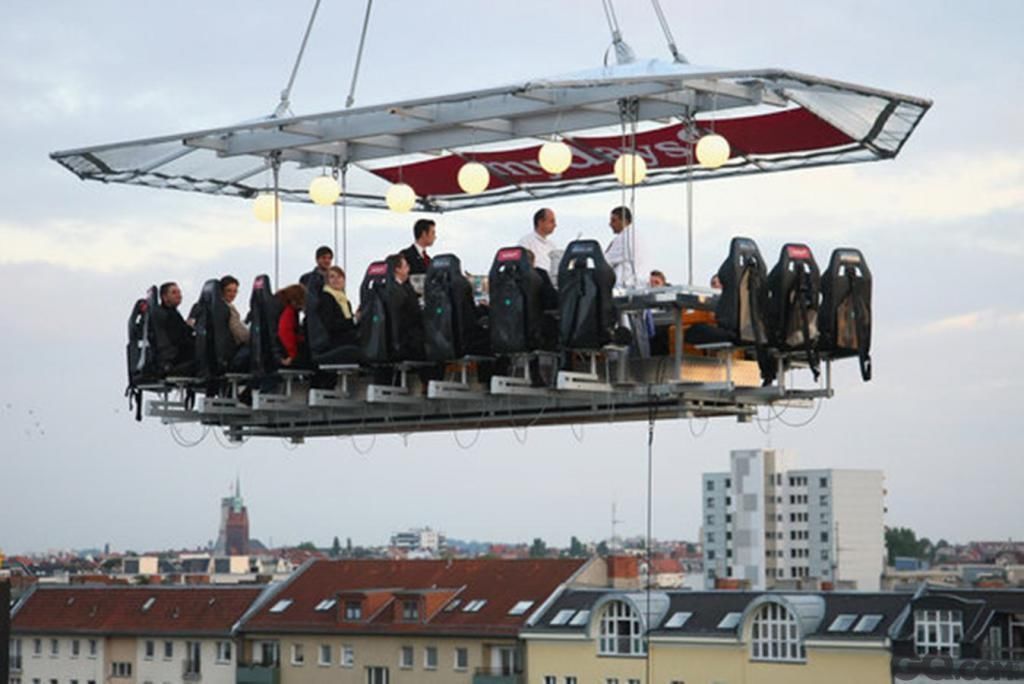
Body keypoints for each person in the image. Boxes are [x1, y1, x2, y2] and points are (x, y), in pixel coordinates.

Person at [386, 253, 426, 360]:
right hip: (407, 345)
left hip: (387, 345)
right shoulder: (403, 292)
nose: (409, 269)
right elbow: (416, 316)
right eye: (406, 266)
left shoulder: (382, 290)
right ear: (398, 270)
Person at [156, 281, 196, 373]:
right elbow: (179, 339)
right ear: (164, 297)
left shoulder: (169, 313)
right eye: (174, 293)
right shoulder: (168, 315)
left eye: (179, 292)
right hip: (176, 358)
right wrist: (189, 328)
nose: (179, 295)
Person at [319, 265, 357, 347]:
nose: (336, 280)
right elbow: (330, 325)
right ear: (327, 281)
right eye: (332, 277)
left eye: (339, 277)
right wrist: (354, 320)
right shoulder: (326, 298)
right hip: (334, 342)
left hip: (346, 338)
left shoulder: (345, 301)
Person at [275, 284, 308, 367]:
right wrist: (292, 355)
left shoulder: (277, 305)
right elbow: (285, 332)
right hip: (286, 354)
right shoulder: (289, 311)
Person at [518, 207, 558, 275]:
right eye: (551, 221)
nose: (555, 225)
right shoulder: (526, 242)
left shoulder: (552, 245)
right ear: (540, 222)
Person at [605, 205, 637, 287]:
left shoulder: (623, 238)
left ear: (625, 221)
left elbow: (605, 262)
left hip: (625, 286)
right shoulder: (636, 235)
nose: (610, 224)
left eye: (614, 221)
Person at [220, 275, 250, 346]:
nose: (232, 294)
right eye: (229, 291)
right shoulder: (227, 308)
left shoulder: (210, 305)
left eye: (235, 291)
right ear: (221, 291)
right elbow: (240, 333)